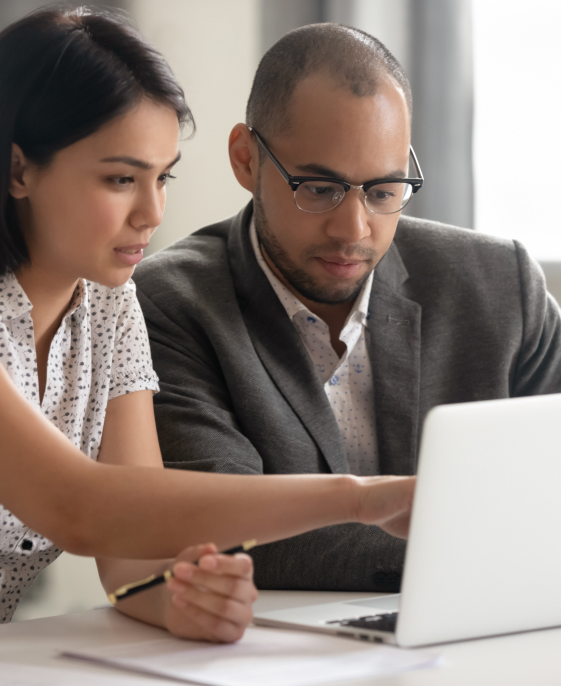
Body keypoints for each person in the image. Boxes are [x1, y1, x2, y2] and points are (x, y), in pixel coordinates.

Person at [0, 9, 416, 649]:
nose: (152, 212)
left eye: (162, 177)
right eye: (120, 179)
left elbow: (132, 551)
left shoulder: (110, 305)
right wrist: (359, 498)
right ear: (18, 169)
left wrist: (180, 602)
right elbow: (79, 509)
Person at [133, 23, 561, 593]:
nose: (353, 229)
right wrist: (486, 548)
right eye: (319, 188)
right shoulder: (170, 304)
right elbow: (222, 530)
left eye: (384, 192)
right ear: (246, 160)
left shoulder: (500, 284)